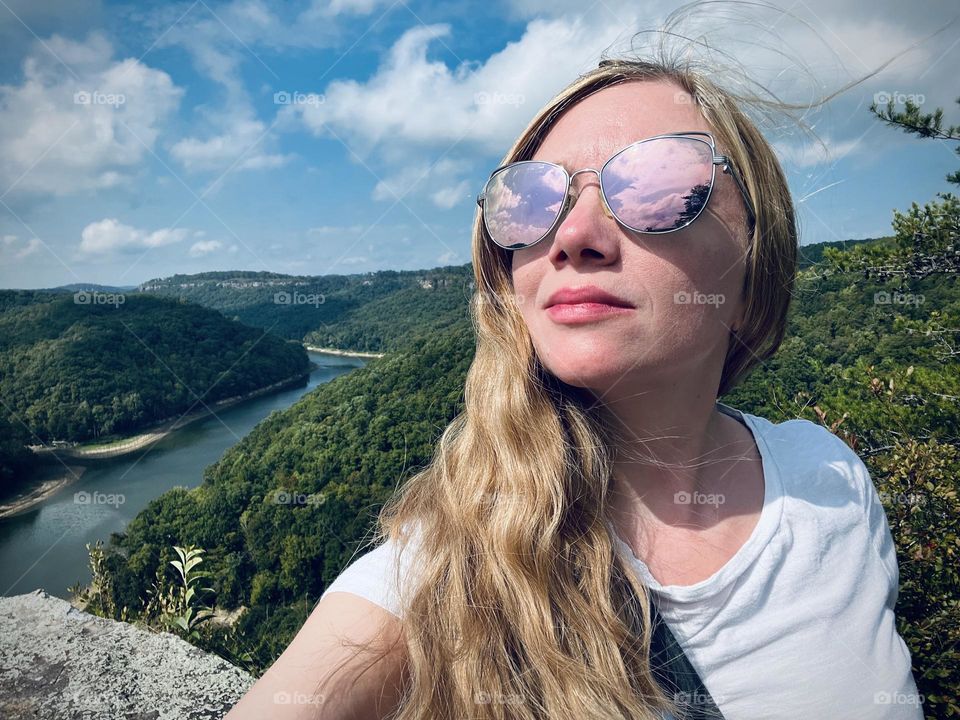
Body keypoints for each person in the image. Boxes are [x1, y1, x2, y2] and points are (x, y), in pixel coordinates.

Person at [226, 39, 924, 720]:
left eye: (658, 185)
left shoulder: (828, 477)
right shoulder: (450, 565)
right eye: (531, 200)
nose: (573, 234)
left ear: (752, 266)